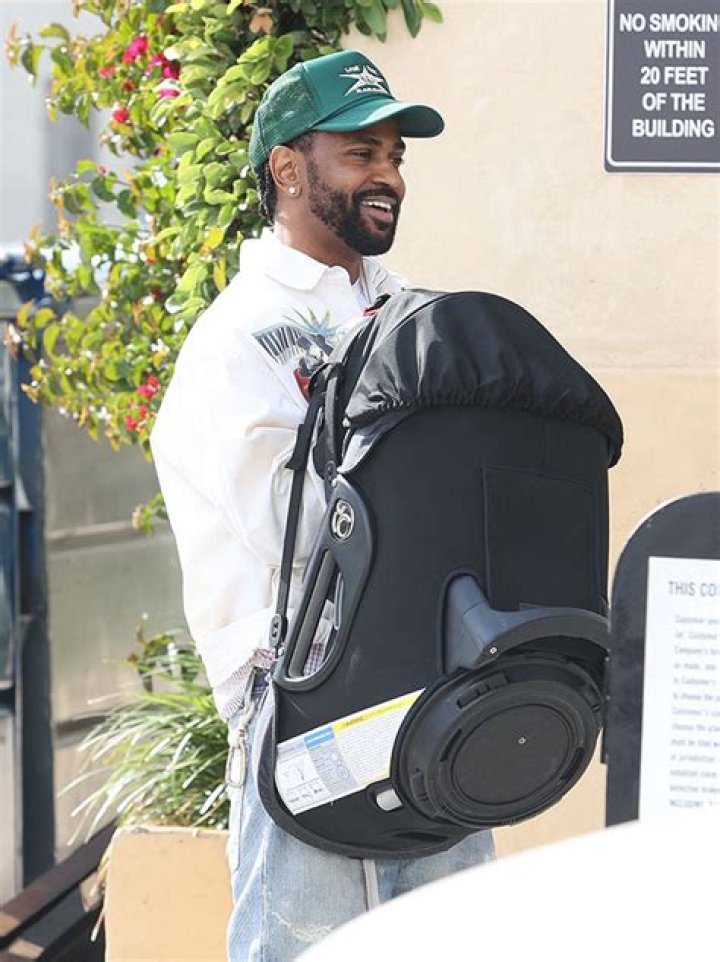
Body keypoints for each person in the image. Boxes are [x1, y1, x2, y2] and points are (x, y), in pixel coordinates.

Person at [151, 49, 494, 961]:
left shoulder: (408, 314)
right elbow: (297, 532)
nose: (387, 176)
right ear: (288, 170)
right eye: (361, 153)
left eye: (396, 156)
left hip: (433, 693)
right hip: (307, 710)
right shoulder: (238, 341)